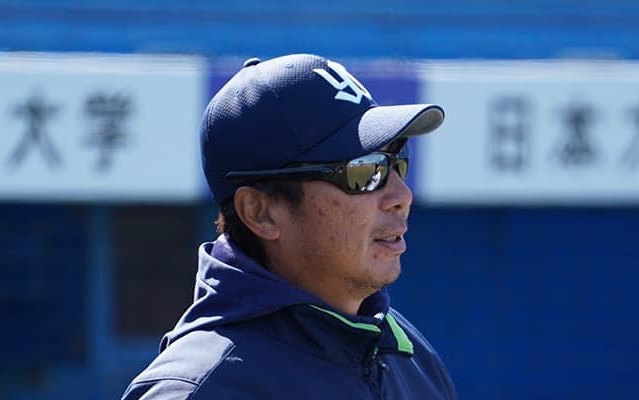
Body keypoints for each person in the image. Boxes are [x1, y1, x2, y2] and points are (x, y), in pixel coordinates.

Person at [121, 54, 457, 399]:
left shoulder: (411, 356)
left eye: (398, 162)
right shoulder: (199, 389)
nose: (402, 196)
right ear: (261, 212)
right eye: (365, 171)